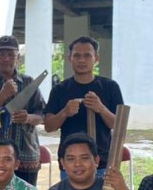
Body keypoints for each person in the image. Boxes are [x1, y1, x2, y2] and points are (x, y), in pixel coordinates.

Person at [0, 35, 46, 185]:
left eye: (10, 54)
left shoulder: (29, 82)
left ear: (18, 57)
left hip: (25, 157)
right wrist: (2, 96)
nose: (6, 59)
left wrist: (28, 118)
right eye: (1, 54)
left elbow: (43, 115)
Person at [44, 36, 124, 173]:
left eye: (87, 55)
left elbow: (119, 126)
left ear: (96, 59)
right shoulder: (59, 90)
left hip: (102, 162)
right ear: (70, 58)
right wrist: (64, 112)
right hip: (70, 162)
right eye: (77, 56)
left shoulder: (110, 87)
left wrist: (101, 108)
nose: (81, 60)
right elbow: (49, 127)